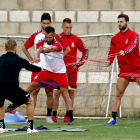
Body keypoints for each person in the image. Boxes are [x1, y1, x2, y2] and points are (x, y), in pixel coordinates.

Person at [21, 13, 70, 123]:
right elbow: (24, 47)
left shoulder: (55, 36)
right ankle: (30, 117)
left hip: (50, 69)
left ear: (51, 23)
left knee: (49, 92)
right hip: (38, 67)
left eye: (48, 23)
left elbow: (64, 49)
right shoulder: (35, 36)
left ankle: (49, 116)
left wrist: (61, 58)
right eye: (44, 23)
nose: (46, 25)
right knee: (34, 91)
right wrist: (32, 59)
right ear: (41, 23)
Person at [0, 39, 42, 133]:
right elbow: (31, 68)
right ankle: (30, 128)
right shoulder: (19, 60)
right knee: (30, 101)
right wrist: (41, 69)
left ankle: (1, 127)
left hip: (0, 88)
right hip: (12, 89)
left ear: (5, 48)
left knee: (0, 105)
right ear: (16, 49)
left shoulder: (0, 59)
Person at [106, 14, 140, 125]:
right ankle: (113, 119)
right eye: (118, 22)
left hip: (137, 67)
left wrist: (125, 51)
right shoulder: (115, 38)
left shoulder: (134, 35)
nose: (119, 24)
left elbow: (133, 45)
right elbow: (112, 52)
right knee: (118, 93)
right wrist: (109, 61)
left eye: (121, 22)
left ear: (127, 22)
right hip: (124, 69)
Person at [52, 18, 88, 122]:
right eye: (67, 27)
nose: (69, 29)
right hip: (59, 71)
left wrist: (79, 64)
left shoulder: (76, 39)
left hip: (72, 71)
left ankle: (68, 115)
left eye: (70, 28)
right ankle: (54, 115)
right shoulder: (57, 38)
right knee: (57, 92)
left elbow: (85, 51)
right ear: (62, 27)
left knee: (70, 93)